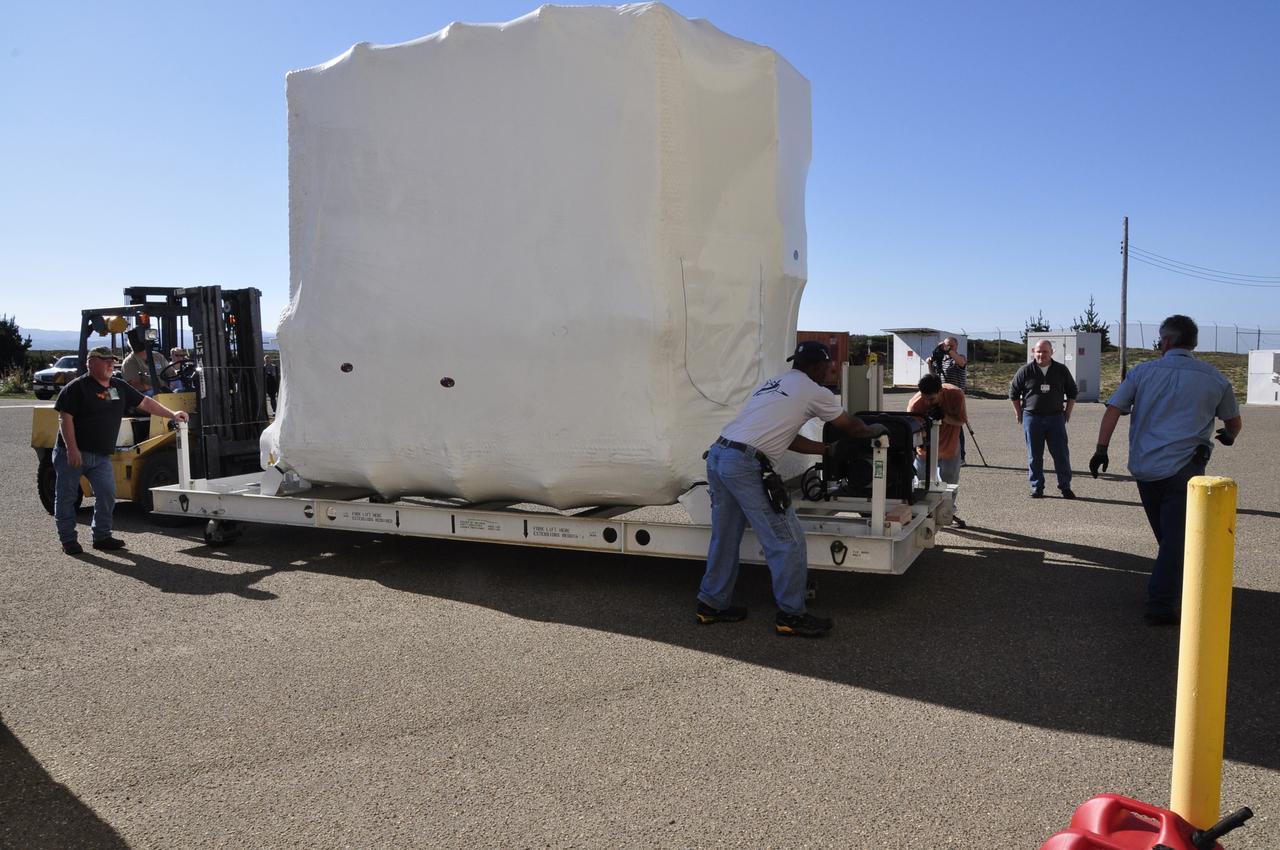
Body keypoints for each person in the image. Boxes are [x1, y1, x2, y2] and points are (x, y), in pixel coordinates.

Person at [696, 341, 890, 638]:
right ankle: (791, 615)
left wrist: (826, 449)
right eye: (828, 367)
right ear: (817, 366)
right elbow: (851, 425)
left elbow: (784, 436)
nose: (829, 372)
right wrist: (872, 431)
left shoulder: (773, 384)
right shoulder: (814, 391)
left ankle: (711, 604)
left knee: (725, 535)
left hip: (719, 455)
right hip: (744, 465)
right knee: (787, 540)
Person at [1089, 315, 1242, 626]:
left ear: (1167, 341)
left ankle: (1168, 592)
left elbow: (1114, 409)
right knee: (1174, 539)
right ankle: (1164, 600)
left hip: (1145, 467)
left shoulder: (1142, 372)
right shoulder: (1214, 377)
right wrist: (1228, 436)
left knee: (1169, 536)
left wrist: (1101, 450)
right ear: (1193, 342)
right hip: (1186, 467)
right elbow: (1233, 422)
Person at [53, 347, 190, 555]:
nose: (110, 364)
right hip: (73, 454)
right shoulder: (77, 388)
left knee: (107, 494)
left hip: (101, 455)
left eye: (112, 360)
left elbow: (145, 402)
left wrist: (172, 414)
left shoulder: (118, 386)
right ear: (91, 363)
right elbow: (65, 419)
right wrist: (72, 449)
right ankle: (68, 540)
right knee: (66, 497)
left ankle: (101, 536)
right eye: (105, 360)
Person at [1009, 339, 1078, 498]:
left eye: (1045, 351)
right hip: (1032, 418)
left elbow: (1072, 391)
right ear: (1033, 352)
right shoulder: (1025, 371)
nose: (1041, 354)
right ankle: (1037, 487)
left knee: (1061, 454)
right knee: (1035, 455)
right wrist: (1018, 412)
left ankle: (1065, 486)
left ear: (1052, 352)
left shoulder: (1061, 370)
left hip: (1055, 418)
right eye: (1039, 351)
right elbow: (1013, 393)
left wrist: (1068, 412)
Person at [907, 373, 968, 528]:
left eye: (932, 399)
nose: (928, 402)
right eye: (925, 398)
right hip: (925, 451)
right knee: (922, 483)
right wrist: (926, 425)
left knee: (950, 483)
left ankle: (947, 512)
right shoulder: (915, 405)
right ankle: (924, 513)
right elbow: (914, 432)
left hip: (950, 446)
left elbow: (961, 420)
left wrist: (944, 416)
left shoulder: (956, 395)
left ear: (940, 391)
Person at [929, 336, 968, 461]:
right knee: (939, 425)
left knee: (957, 426)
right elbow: (934, 376)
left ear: (956, 346)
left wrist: (948, 350)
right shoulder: (941, 360)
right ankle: (941, 453)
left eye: (951, 345)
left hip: (955, 397)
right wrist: (930, 364)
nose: (947, 347)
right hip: (941, 396)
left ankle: (960, 456)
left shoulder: (959, 357)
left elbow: (961, 363)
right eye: (946, 345)